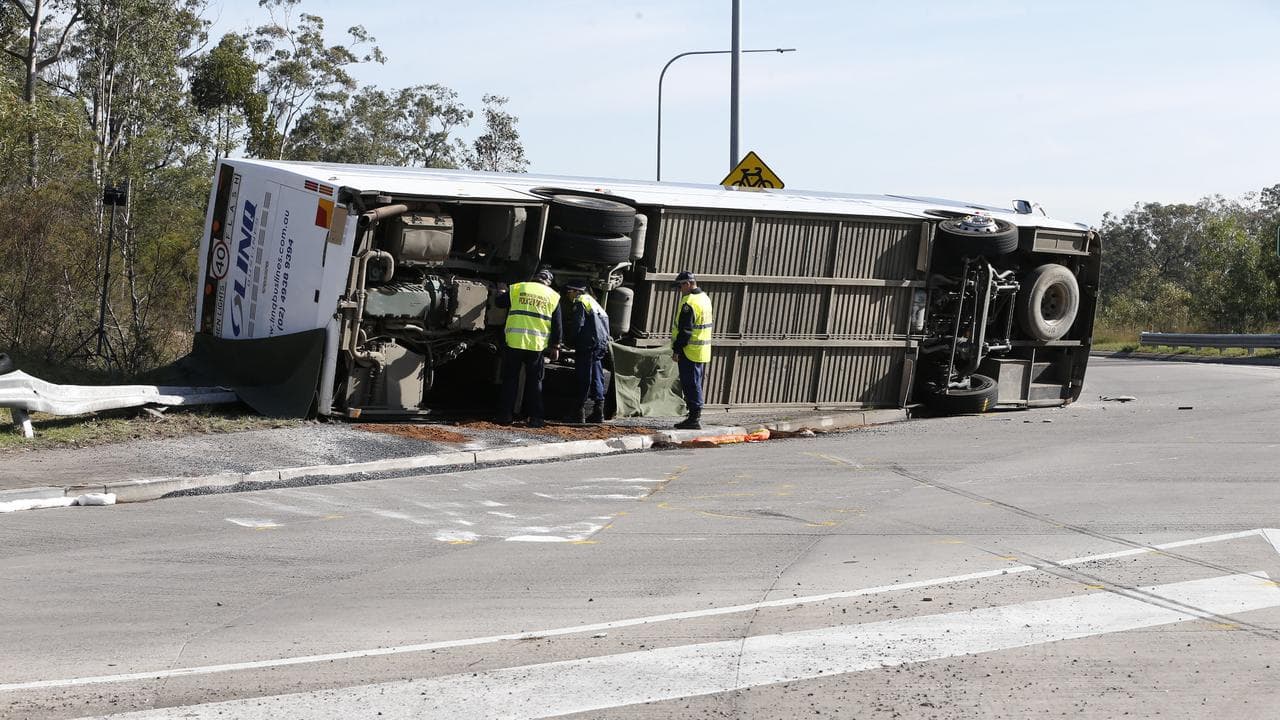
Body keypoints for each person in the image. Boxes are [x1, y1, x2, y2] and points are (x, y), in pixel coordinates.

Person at [495, 269, 562, 428]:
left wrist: (502, 290)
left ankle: (505, 415)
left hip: (514, 342)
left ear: (535, 278)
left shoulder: (519, 288)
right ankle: (536, 418)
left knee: (510, 379)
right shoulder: (553, 296)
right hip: (536, 346)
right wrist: (556, 346)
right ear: (548, 282)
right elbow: (557, 325)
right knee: (534, 382)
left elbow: (499, 303)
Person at [670, 270, 713, 429]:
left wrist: (677, 350)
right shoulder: (704, 298)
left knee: (691, 384)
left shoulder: (689, 302)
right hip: (701, 350)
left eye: (680, 287)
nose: (679, 290)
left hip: (690, 350)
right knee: (695, 382)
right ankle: (693, 415)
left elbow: (685, 330)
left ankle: (694, 418)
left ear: (687, 284)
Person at [563, 280, 610, 423]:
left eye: (568, 292)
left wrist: (570, 341)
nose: (567, 295)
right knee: (597, 375)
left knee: (584, 377)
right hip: (600, 343)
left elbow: (578, 323)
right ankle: (598, 411)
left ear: (575, 291)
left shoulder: (580, 301)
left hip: (587, 344)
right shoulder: (594, 302)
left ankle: (579, 413)